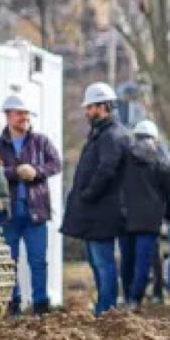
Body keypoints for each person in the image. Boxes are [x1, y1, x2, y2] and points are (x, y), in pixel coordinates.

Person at [61, 82, 129, 316]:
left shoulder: (111, 135)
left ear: (103, 107)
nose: (86, 112)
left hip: (103, 213)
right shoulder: (101, 134)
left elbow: (106, 170)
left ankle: (106, 310)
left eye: (90, 107)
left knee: (104, 263)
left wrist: (88, 193)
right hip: (95, 213)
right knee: (97, 263)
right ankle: (104, 307)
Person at [0, 94, 61, 316]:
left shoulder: (40, 141)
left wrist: (37, 171)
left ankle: (41, 306)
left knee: (38, 261)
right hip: (9, 213)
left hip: (36, 211)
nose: (24, 118)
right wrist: (14, 172)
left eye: (26, 114)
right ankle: (12, 306)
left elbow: (56, 163)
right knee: (8, 261)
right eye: (19, 114)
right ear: (8, 116)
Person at [119, 120, 170, 309]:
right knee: (143, 263)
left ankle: (128, 296)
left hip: (124, 217)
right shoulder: (162, 162)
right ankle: (136, 300)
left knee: (126, 260)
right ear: (154, 139)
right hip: (149, 221)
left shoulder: (123, 160)